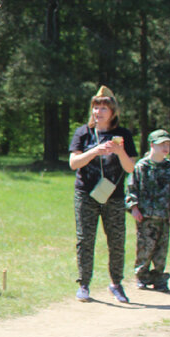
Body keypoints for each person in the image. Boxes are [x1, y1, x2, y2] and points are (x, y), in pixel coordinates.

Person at [69, 85, 137, 303]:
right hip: (86, 195)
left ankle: (116, 284)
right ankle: (84, 285)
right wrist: (94, 151)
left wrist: (119, 152)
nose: (98, 112)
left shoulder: (123, 135)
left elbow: (130, 168)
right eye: (95, 107)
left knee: (116, 242)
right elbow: (73, 163)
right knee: (85, 240)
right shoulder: (83, 132)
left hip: (114, 197)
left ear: (113, 111)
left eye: (103, 108)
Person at [125, 129, 170, 291]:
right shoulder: (141, 166)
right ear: (151, 145)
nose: (165, 147)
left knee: (161, 250)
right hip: (146, 216)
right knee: (145, 248)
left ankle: (159, 278)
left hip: (163, 216)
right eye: (162, 144)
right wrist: (133, 207)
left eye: (168, 144)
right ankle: (142, 276)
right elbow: (131, 189)